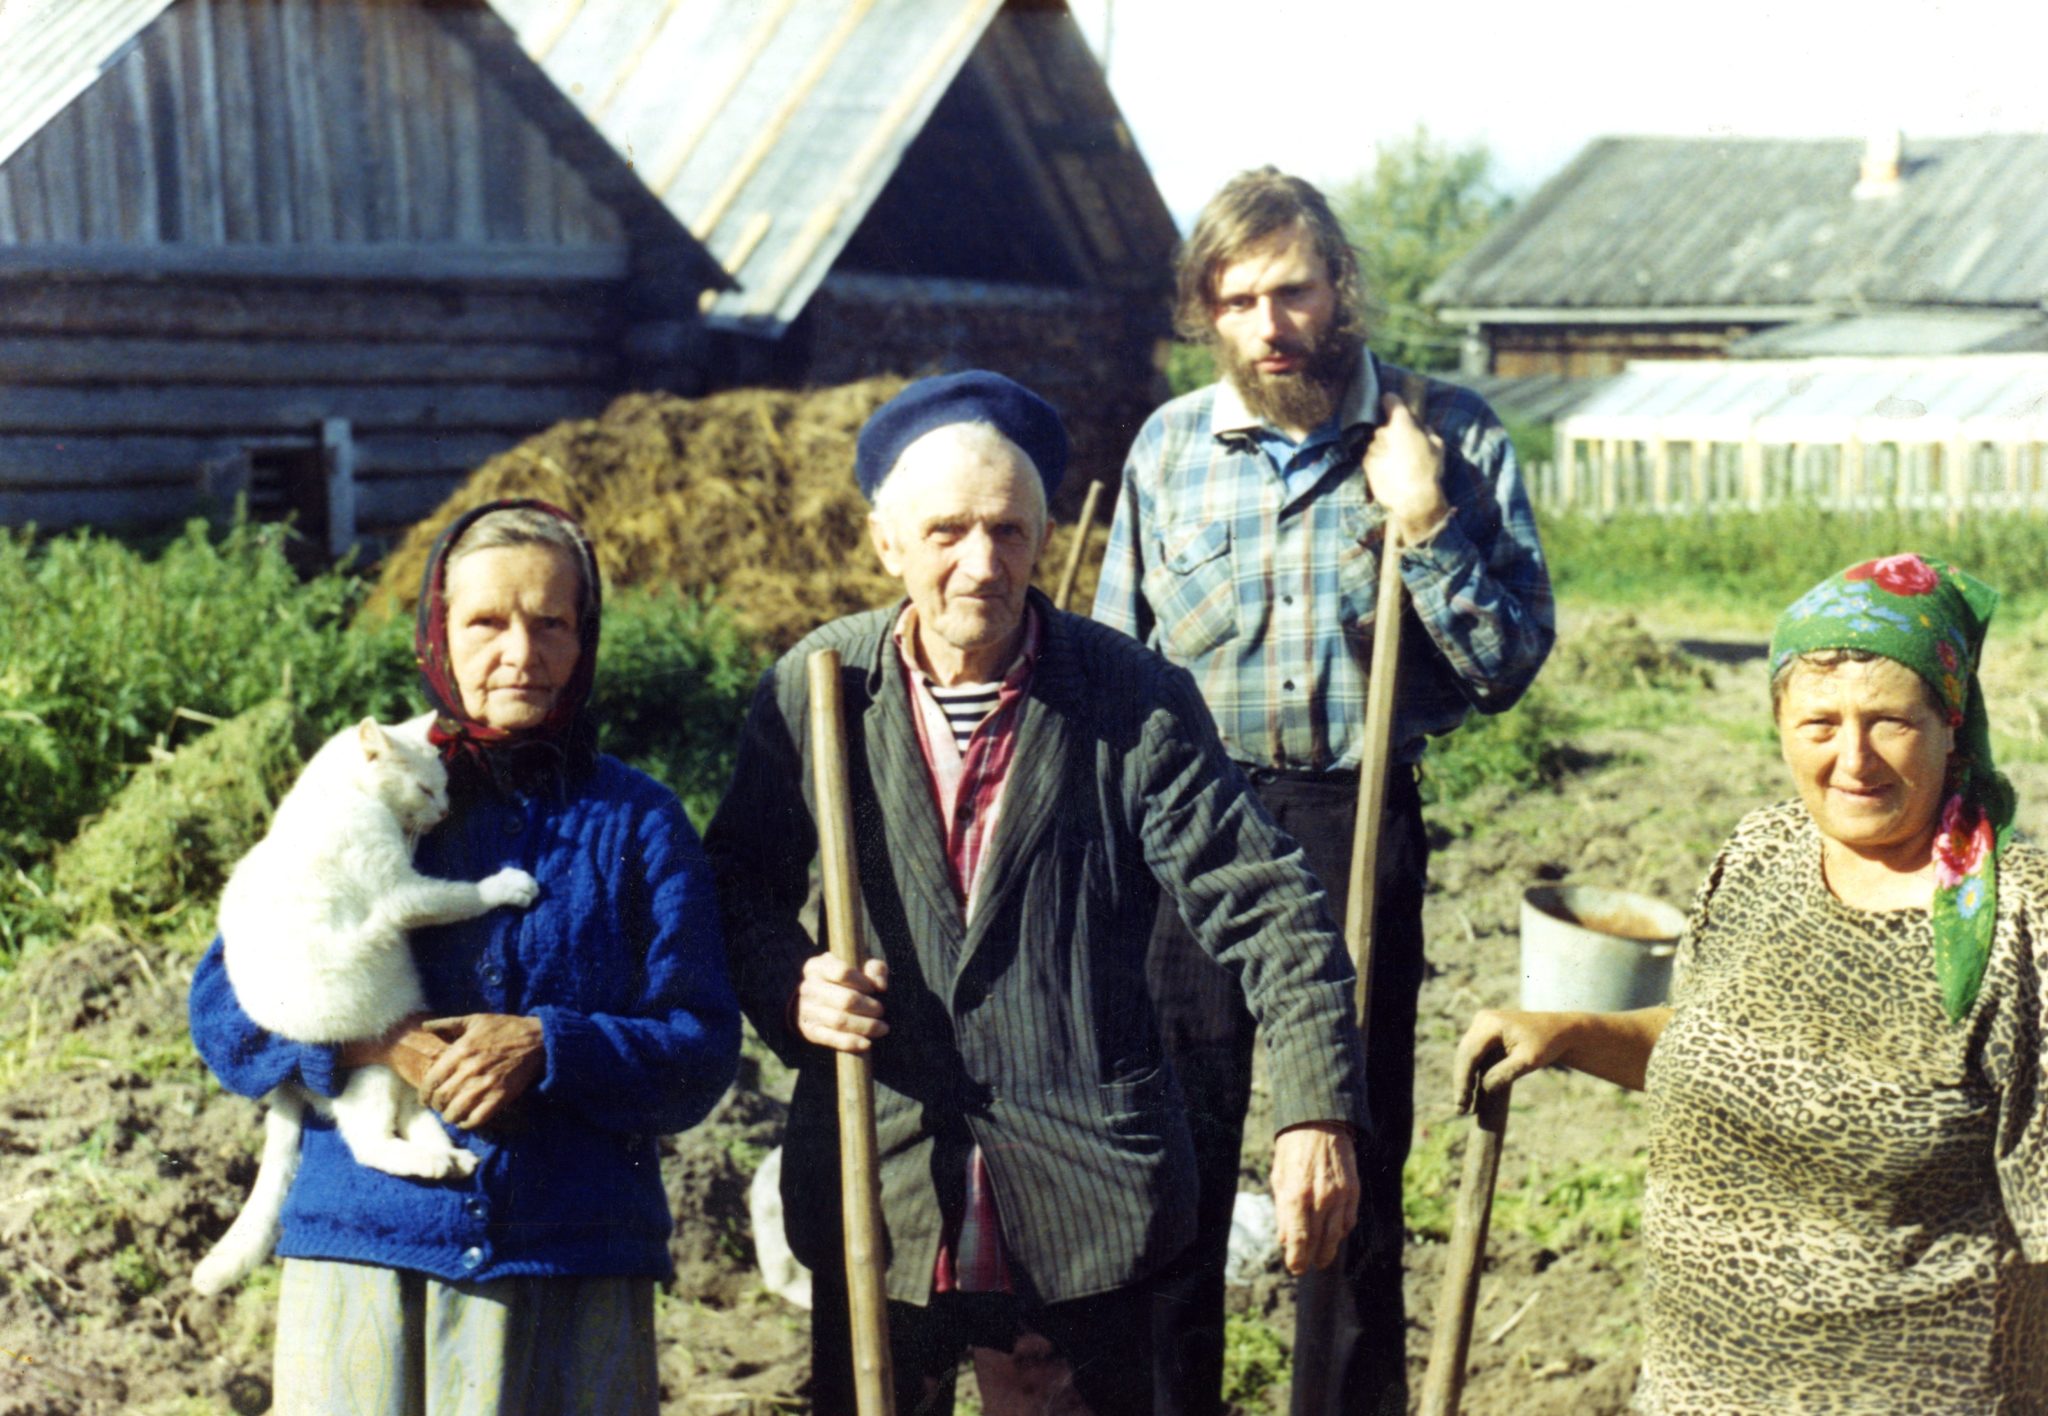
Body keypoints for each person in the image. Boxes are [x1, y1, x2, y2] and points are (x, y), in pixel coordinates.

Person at [705, 371, 1369, 1415]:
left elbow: (1268, 904)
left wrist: (1314, 1112)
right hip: (881, 1171)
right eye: (947, 533)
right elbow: (734, 883)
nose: (981, 564)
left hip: (1082, 1190)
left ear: (1045, 538)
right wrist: (791, 984)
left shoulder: (1128, 697)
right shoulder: (818, 687)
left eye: (1009, 532)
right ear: (887, 546)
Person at [1092, 167, 1554, 1415]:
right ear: (1206, 312)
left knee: (1348, 1167)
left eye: (1289, 290)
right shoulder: (1169, 449)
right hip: (1186, 826)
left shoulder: (1441, 435)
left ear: (1337, 288)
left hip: (1352, 819)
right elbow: (1107, 665)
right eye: (1235, 300)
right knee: (1169, 1165)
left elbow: (1508, 663)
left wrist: (1428, 519)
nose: (1267, 324)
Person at [1457, 553, 2048, 1412]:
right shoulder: (1760, 853)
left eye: (1890, 721)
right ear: (1778, 724)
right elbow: (1713, 1042)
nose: (1854, 758)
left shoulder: (2020, 923)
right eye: (1819, 724)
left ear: (1951, 723)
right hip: (1699, 1385)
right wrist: (1574, 1034)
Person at [189, 499, 741, 1412]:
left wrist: (551, 1046)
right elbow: (226, 1013)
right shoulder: (367, 789)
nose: (520, 654)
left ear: (586, 638)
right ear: (438, 635)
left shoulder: (640, 821)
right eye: (486, 622)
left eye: (551, 623)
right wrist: (380, 1042)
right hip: (370, 1252)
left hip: (573, 1261)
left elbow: (701, 1048)